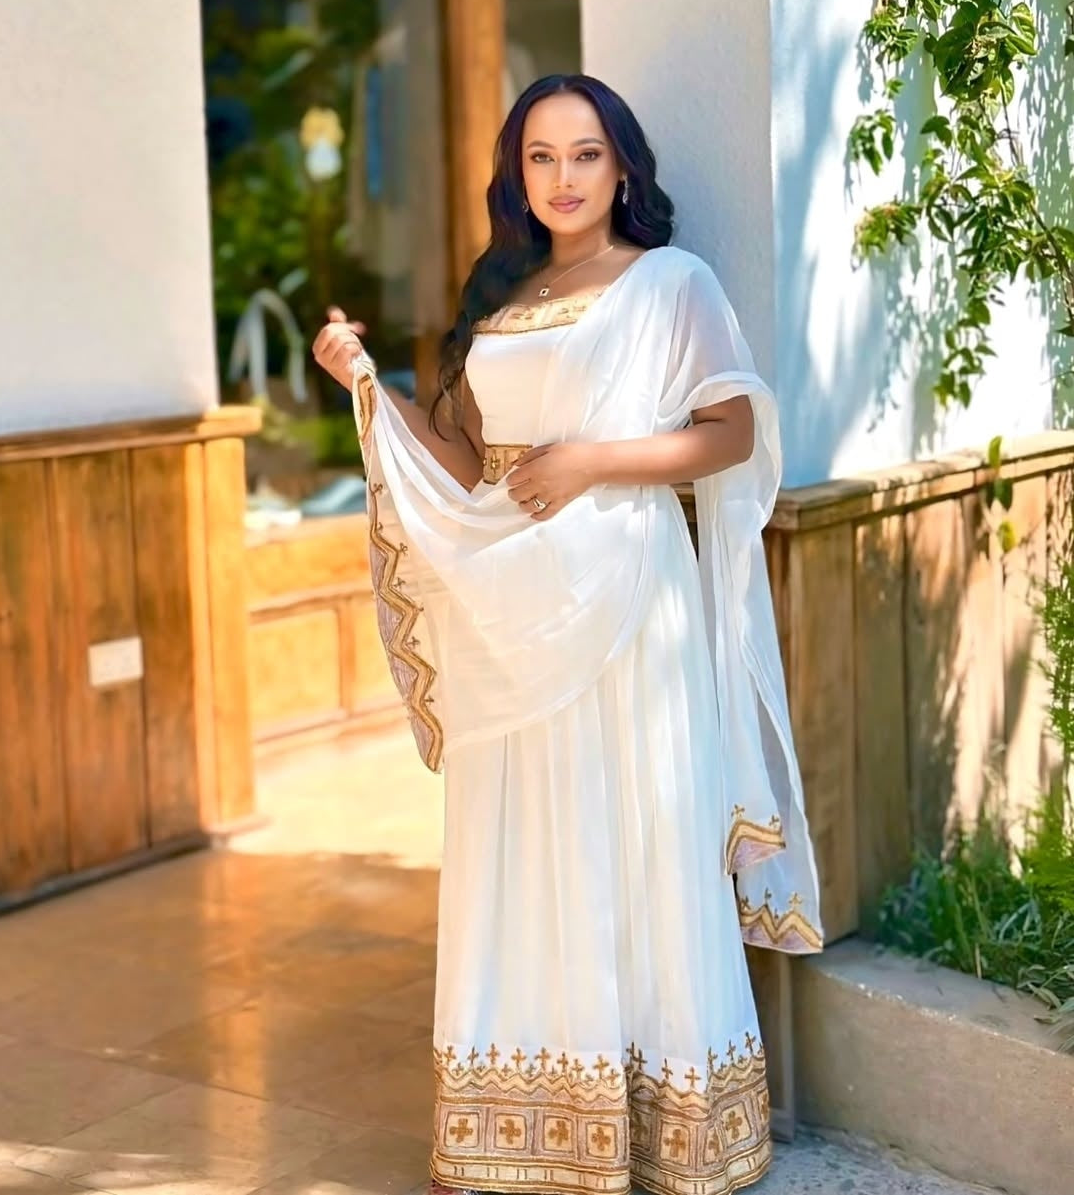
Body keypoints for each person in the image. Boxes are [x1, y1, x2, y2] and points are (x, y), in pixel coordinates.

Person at [312, 74, 822, 1195]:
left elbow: (731, 430)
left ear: (623, 167)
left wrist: (594, 459)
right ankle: (532, 1123)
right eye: (541, 158)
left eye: (585, 154)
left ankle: (665, 1126)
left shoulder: (670, 283)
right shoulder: (504, 297)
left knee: (629, 835)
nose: (563, 177)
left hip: (631, 601)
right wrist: (366, 386)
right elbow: (459, 459)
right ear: (518, 175)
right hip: (514, 607)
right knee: (524, 839)